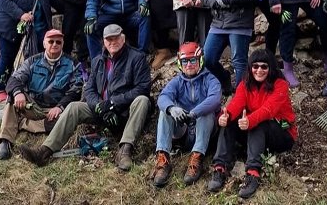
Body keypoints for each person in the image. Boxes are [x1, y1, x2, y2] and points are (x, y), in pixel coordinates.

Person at [20, 23, 152, 170]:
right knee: (74, 107)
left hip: (125, 111)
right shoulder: (98, 61)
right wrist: (99, 105)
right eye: (109, 39)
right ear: (104, 41)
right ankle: (44, 152)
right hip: (103, 111)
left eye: (116, 38)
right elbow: (89, 89)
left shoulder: (137, 58)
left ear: (123, 38)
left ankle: (125, 151)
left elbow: (143, 87)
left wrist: (113, 103)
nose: (112, 42)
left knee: (142, 100)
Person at [207, 49, 297, 200]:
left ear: (270, 68)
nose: (259, 70)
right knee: (229, 121)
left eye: (264, 66)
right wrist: (225, 116)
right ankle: (220, 167)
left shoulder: (280, 85)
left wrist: (249, 121)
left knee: (258, 122)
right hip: (255, 133)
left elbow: (268, 110)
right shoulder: (245, 84)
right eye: (255, 66)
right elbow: (236, 103)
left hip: (283, 131)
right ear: (250, 68)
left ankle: (253, 172)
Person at [0, 28, 82, 160]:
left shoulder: (72, 64)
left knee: (66, 121)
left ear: (62, 44)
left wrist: (60, 107)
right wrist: (18, 93)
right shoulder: (32, 61)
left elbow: (76, 90)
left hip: (54, 111)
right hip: (33, 106)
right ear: (44, 44)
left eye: (58, 42)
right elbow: (13, 80)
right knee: (12, 97)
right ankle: (5, 142)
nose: (54, 44)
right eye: (51, 41)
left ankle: (23, 123)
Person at [151, 42, 222, 188]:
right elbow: (163, 97)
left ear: (200, 60)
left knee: (206, 113)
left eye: (192, 60)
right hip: (182, 132)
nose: (188, 65)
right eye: (185, 61)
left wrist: (195, 113)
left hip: (204, 131)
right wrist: (171, 108)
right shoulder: (177, 81)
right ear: (179, 63)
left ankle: (196, 159)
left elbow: (214, 99)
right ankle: (163, 159)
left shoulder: (211, 80)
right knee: (165, 112)